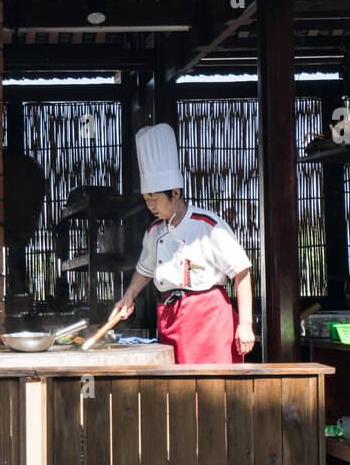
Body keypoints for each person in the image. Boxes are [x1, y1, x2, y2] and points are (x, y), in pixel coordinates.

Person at [108, 123, 255, 363]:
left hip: (208, 320)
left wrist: (246, 324)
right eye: (146, 199)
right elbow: (143, 270)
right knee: (176, 393)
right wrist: (128, 296)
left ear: (175, 192)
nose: (150, 206)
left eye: (154, 198)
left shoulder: (207, 226)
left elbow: (242, 273)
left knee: (211, 392)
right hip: (169, 318)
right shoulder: (154, 232)